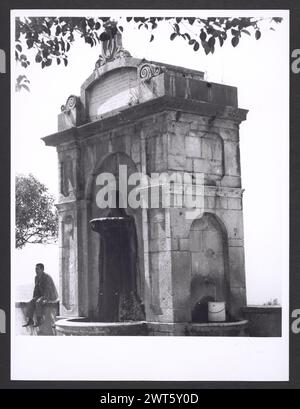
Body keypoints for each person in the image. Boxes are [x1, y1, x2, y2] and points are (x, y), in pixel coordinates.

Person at [22, 263, 58, 328]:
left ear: (42, 269)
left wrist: (46, 299)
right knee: (31, 302)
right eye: (35, 269)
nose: (36, 270)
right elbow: (36, 289)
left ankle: (39, 320)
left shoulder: (47, 277)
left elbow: (48, 289)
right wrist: (34, 298)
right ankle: (30, 320)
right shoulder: (36, 277)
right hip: (42, 295)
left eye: (37, 269)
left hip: (50, 295)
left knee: (38, 302)